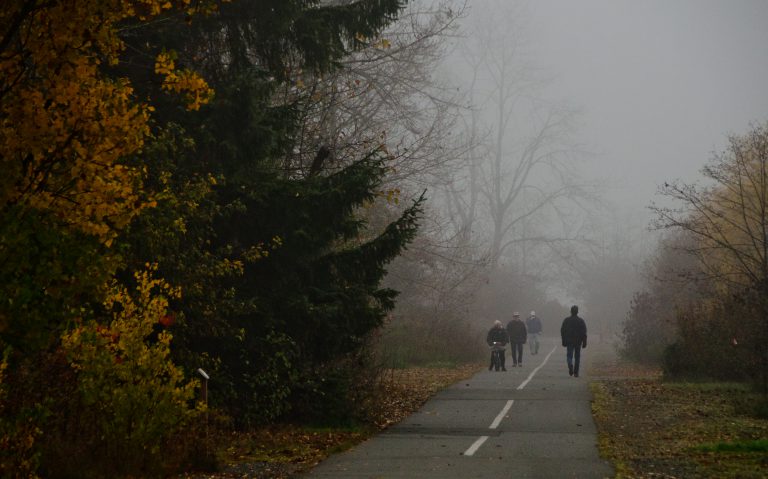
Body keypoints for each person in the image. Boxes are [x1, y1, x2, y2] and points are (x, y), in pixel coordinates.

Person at [560, 305, 587, 377]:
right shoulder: (581, 321)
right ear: (577, 312)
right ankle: (576, 372)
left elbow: (562, 331)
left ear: (571, 311)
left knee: (569, 355)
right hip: (578, 342)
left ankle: (570, 365)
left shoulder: (566, 320)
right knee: (577, 357)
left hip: (569, 341)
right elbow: (584, 332)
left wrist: (563, 340)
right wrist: (584, 342)